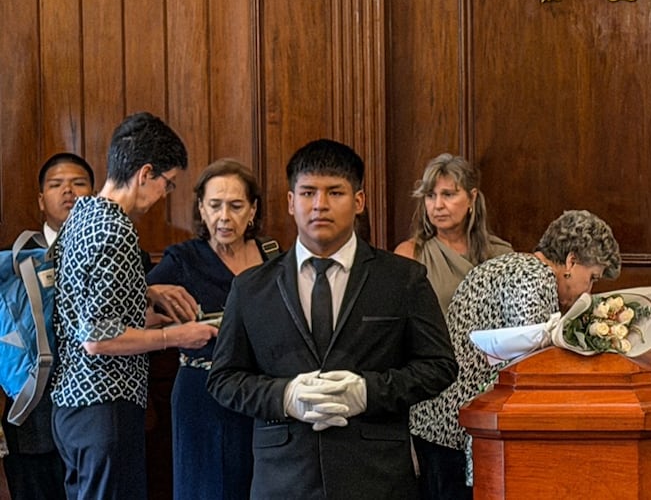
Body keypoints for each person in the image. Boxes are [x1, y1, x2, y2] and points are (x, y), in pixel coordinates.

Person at [206, 139, 457, 499]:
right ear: (291, 202)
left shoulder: (403, 279)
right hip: (283, 477)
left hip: (377, 476)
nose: (320, 205)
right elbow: (224, 379)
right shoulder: (251, 287)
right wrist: (285, 396)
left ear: (358, 201)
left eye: (335, 192)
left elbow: (439, 366)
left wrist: (367, 392)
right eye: (308, 192)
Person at [50, 112, 219, 500]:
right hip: (103, 404)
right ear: (145, 174)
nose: (165, 194)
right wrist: (176, 335)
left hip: (72, 406)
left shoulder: (83, 214)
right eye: (168, 183)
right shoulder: (117, 228)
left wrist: (146, 293)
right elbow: (98, 338)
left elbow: (82, 299)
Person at [410, 209, 621, 499]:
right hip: (452, 427)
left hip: (442, 421)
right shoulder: (534, 277)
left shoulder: (518, 266)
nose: (589, 291)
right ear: (571, 261)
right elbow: (530, 368)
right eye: (592, 278)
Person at [146, 159, 278, 500]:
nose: (224, 217)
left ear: (252, 210)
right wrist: (152, 294)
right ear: (201, 209)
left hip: (261, 395)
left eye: (235, 206)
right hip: (202, 394)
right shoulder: (182, 259)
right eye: (215, 205)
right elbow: (131, 315)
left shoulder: (274, 256)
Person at [1, 153, 95, 499]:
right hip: (32, 419)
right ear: (41, 200)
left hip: (94, 419)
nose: (68, 191)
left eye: (78, 183)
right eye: (56, 185)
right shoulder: (10, 263)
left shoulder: (117, 256)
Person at [394, 153, 513, 314]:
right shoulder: (410, 254)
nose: (438, 205)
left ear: (472, 198)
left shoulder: (501, 255)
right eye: (430, 195)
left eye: (448, 195)